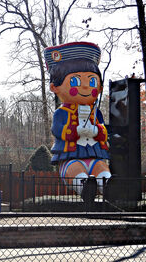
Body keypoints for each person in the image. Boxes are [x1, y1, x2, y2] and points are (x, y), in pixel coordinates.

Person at [45, 42, 111, 203]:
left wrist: (96, 131)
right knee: (75, 170)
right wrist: (76, 131)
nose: (86, 87)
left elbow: (103, 130)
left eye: (92, 82)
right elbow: (57, 130)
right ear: (55, 87)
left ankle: (108, 186)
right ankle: (84, 186)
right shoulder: (62, 112)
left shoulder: (96, 112)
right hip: (71, 155)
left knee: (101, 168)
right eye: (74, 81)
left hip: (94, 154)